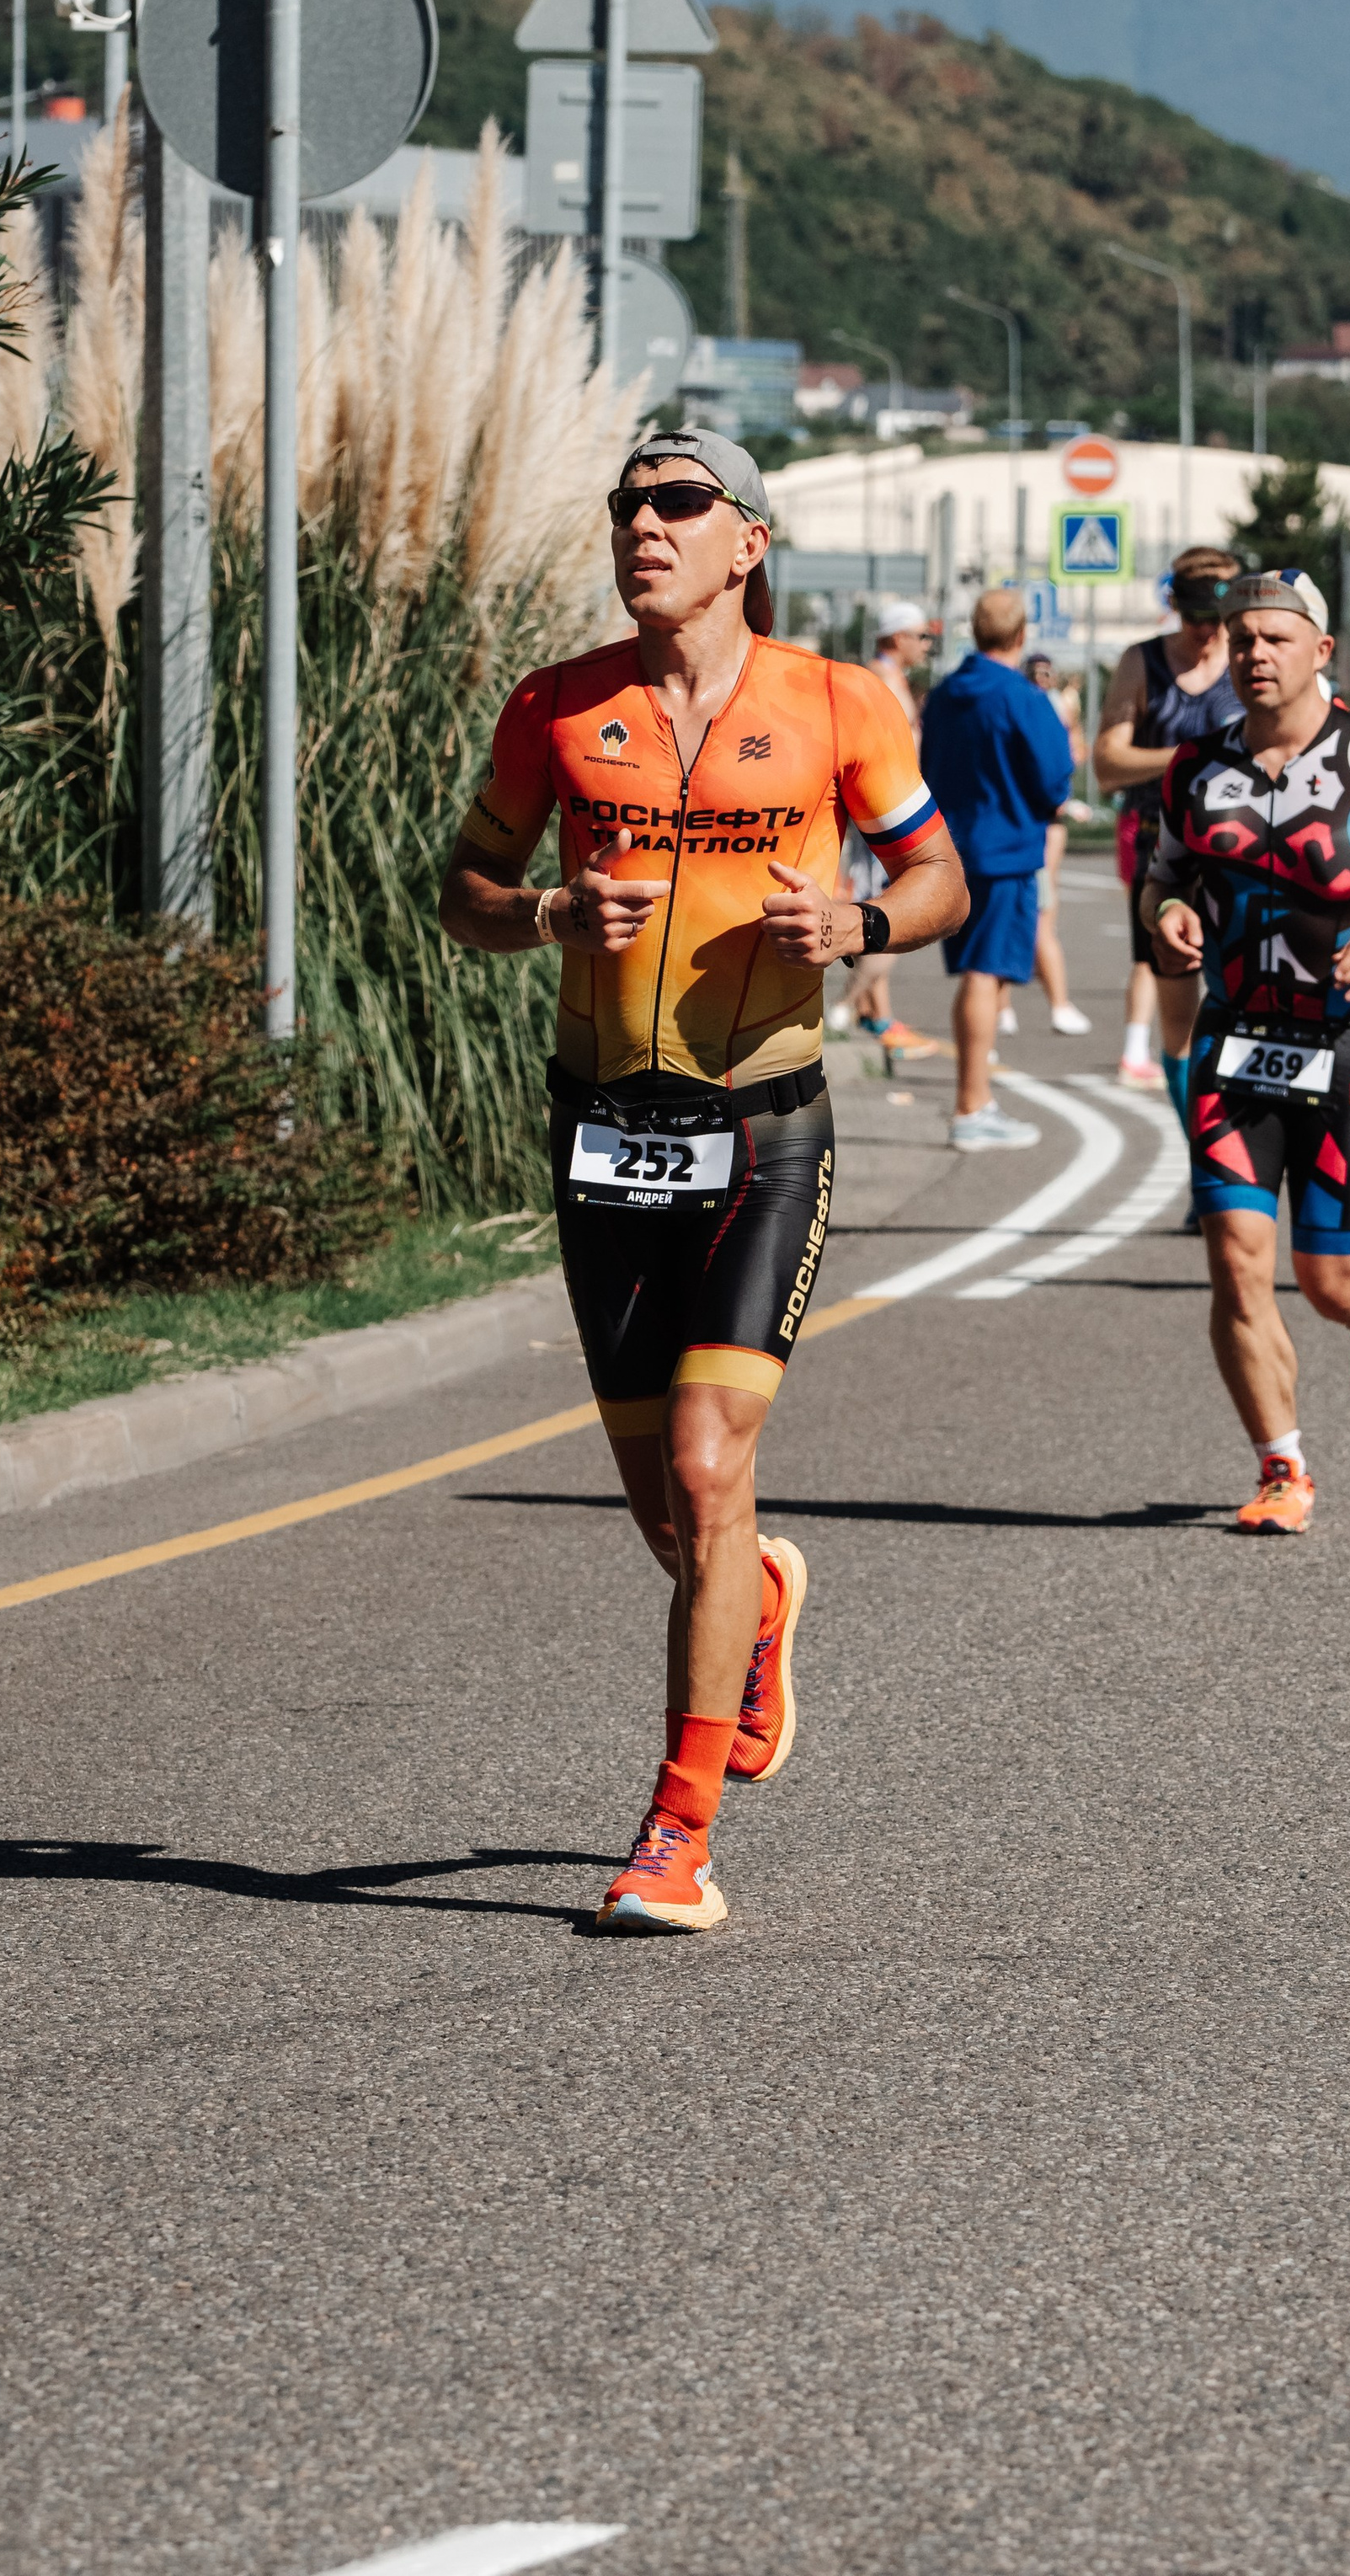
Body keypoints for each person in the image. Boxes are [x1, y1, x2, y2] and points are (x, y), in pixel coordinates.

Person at [438, 427, 967, 1933]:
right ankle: (759, 1599)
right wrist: (546, 907)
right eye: (625, 505)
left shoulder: (835, 702)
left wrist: (859, 928)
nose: (641, 525)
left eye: (677, 503)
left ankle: (678, 1831)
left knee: (709, 1465)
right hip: (602, 1129)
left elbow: (943, 881)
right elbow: (462, 889)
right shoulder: (559, 706)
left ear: (748, 541)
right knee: (672, 1522)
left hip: (762, 1130)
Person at [1138, 569, 1350, 1533]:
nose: (1253, 654)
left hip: (1346, 1046)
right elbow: (1161, 881)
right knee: (1237, 1262)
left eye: (1273, 639)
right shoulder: (1194, 769)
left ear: (1320, 652)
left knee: (1332, 1281)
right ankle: (1282, 1467)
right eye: (1240, 639)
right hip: (1233, 1043)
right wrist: (1165, 914)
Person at [918, 587, 1077, 1151]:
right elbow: (1057, 777)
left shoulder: (944, 694)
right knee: (985, 974)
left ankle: (976, 1099)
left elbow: (925, 765)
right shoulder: (1021, 696)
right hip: (1007, 849)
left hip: (953, 846)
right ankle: (972, 1106)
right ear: (1020, 635)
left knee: (977, 974)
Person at [1092, 548, 1246, 1110]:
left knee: (1245, 1003)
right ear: (1175, 607)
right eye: (1195, 618)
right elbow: (1108, 765)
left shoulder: (1252, 658)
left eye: (1218, 619)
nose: (1207, 632)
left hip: (1246, 852)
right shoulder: (1143, 663)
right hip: (1166, 848)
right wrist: (1189, 756)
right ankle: (1200, 1159)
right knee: (1177, 1013)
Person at [830, 600, 940, 1061]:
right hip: (881, 816)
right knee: (896, 916)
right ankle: (845, 1007)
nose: (927, 646)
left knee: (883, 906)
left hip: (882, 811)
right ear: (897, 638)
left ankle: (879, 1016)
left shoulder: (887, 678)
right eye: (922, 637)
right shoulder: (879, 681)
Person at [1022, 648, 1091, 1039]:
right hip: (1040, 823)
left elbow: (1073, 757)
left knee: (1031, 914)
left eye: (1048, 672)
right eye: (1038, 672)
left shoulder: (1043, 706)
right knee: (1040, 916)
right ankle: (1059, 1005)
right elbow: (1057, 767)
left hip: (1043, 821)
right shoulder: (1035, 708)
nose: (1042, 679)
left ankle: (1007, 1010)